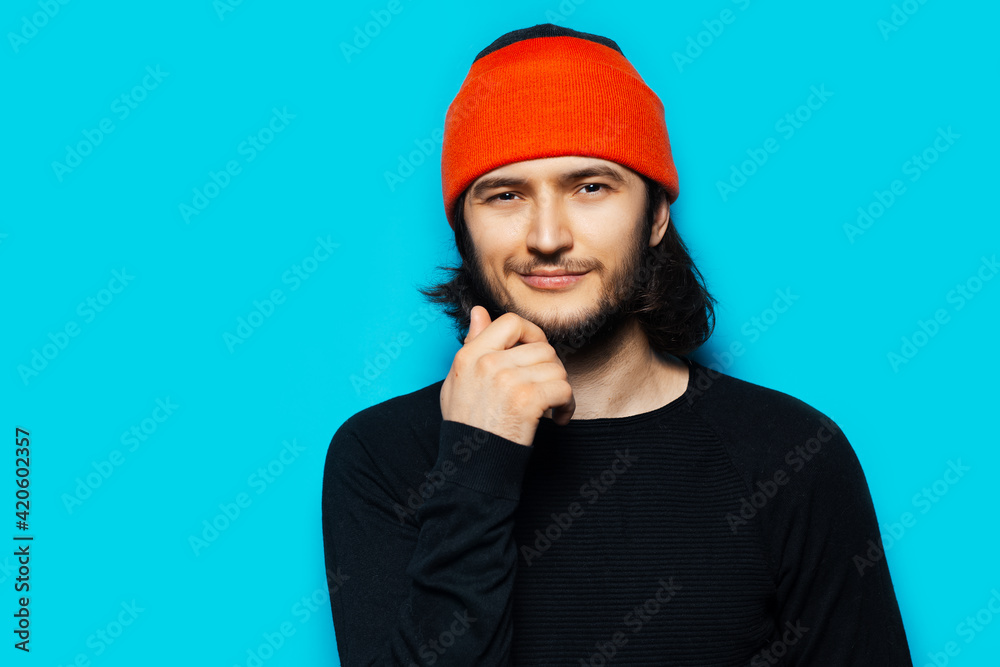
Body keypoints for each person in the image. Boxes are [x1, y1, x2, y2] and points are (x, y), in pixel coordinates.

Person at [322, 23, 913, 666]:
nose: (547, 236)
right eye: (505, 194)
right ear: (464, 230)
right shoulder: (381, 457)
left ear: (655, 215)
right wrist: (478, 461)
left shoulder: (793, 457)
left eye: (590, 186)